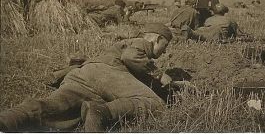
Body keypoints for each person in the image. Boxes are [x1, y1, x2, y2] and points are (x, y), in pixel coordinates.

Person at [0, 23, 173, 132]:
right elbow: (129, 57)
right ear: (158, 38)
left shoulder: (124, 45)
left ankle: (10, 118)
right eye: (165, 46)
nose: (164, 52)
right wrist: (159, 75)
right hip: (107, 74)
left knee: (57, 109)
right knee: (156, 104)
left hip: (81, 75)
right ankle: (103, 111)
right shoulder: (142, 43)